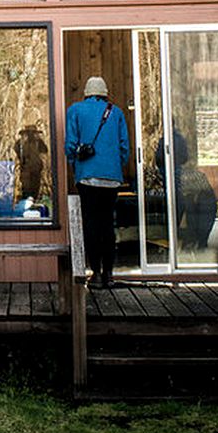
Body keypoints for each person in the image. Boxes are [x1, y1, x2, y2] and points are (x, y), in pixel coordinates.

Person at [65, 76, 130, 287]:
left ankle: (96, 274)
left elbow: (70, 145)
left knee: (91, 225)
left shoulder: (75, 110)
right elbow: (124, 149)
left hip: (87, 177)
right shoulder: (117, 113)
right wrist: (114, 166)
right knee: (107, 226)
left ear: (86, 92)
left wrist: (77, 164)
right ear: (105, 93)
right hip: (112, 179)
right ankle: (110, 274)